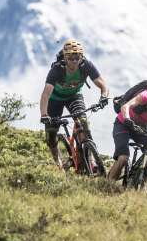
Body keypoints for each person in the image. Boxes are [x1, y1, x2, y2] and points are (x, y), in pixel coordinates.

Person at [40, 39, 109, 169]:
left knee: (83, 122)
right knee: (51, 135)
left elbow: (102, 83)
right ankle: (58, 164)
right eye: (70, 57)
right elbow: (46, 94)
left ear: (81, 56)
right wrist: (44, 114)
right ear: (65, 57)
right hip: (55, 99)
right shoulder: (57, 69)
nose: (74, 60)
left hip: (74, 96)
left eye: (77, 57)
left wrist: (104, 96)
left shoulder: (86, 65)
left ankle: (90, 161)